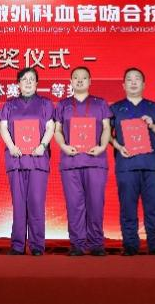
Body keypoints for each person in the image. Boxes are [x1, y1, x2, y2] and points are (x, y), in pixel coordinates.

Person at [110, 68, 155, 256]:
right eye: (129, 79)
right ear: (123, 85)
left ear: (144, 84)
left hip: (152, 165)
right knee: (128, 207)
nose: (133, 82)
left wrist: (152, 125)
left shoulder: (154, 107)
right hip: (126, 165)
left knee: (153, 208)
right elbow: (105, 134)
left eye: (137, 79)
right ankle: (130, 245)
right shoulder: (115, 109)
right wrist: (118, 146)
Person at [53, 66, 111, 256]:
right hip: (71, 162)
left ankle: (96, 244)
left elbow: (106, 128)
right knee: (74, 204)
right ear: (70, 81)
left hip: (95, 161)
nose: (79, 80)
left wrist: (102, 146)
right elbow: (57, 130)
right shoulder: (63, 104)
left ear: (90, 81)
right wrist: (63, 146)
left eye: (84, 77)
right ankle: (77, 244)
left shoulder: (100, 103)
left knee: (96, 203)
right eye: (76, 77)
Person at [0, 67, 55, 256]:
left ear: (37, 83)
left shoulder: (46, 104)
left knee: (36, 203)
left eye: (32, 79)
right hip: (16, 159)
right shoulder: (10, 105)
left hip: (38, 160)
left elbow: (50, 127)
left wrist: (43, 145)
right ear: (18, 84)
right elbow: (3, 127)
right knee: (18, 204)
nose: (28, 82)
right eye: (24, 79)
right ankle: (17, 245)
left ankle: (37, 245)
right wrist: (11, 146)